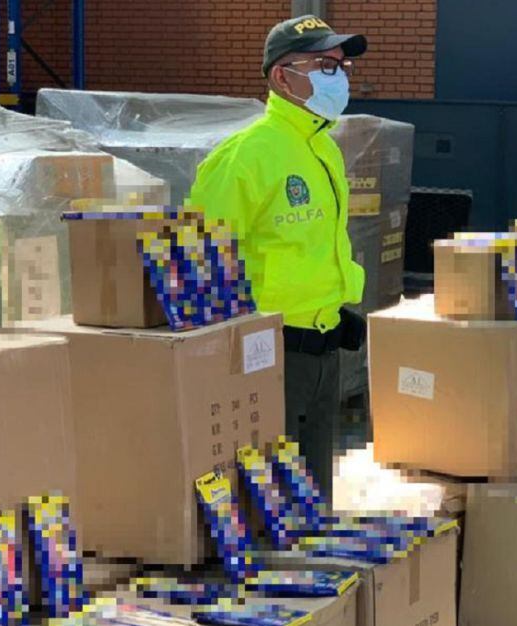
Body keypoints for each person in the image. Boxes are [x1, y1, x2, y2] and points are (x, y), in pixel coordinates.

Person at [188, 15, 369, 496]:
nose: (339, 75)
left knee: (314, 495)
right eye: (324, 65)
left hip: (325, 343)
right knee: (274, 499)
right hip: (269, 351)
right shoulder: (245, 156)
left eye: (340, 64)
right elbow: (202, 260)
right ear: (282, 76)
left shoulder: (323, 148)